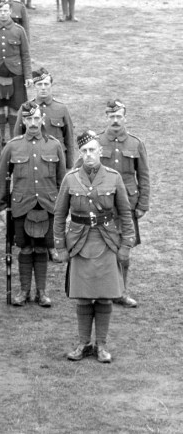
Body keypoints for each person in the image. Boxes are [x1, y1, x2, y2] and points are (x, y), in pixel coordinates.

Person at [54, 131, 136, 363]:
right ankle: (83, 344)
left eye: (92, 150)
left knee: (104, 297)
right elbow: (59, 215)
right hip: (79, 244)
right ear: (80, 154)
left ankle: (101, 345)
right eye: (84, 151)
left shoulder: (113, 178)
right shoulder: (71, 179)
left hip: (106, 242)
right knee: (82, 297)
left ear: (100, 151)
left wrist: (126, 245)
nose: (89, 154)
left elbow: (125, 214)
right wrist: (60, 247)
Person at [0, 102, 67, 307]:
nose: (33, 123)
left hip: (47, 205)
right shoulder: (13, 146)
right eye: (29, 119)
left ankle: (42, 292)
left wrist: (63, 209)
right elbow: (2, 179)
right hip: (21, 206)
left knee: (43, 249)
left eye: (37, 118)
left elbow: (62, 180)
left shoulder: (54, 145)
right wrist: (2, 207)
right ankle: (24, 291)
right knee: (25, 249)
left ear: (42, 119)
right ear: (23, 121)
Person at [96, 100, 149, 308]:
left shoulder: (135, 144)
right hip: (103, 205)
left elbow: (143, 175)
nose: (116, 120)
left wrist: (142, 204)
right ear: (106, 117)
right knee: (102, 248)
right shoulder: (97, 142)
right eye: (112, 116)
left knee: (124, 249)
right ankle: (102, 291)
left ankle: (121, 292)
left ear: (125, 117)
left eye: (119, 116)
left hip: (127, 206)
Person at [0, 2, 32, 141]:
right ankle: (0, 139)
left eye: (5, 10)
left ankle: (15, 139)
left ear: (10, 12)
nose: (3, 13)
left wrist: (28, 76)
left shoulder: (19, 30)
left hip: (16, 74)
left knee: (15, 107)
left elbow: (25, 54)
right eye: (0, 11)